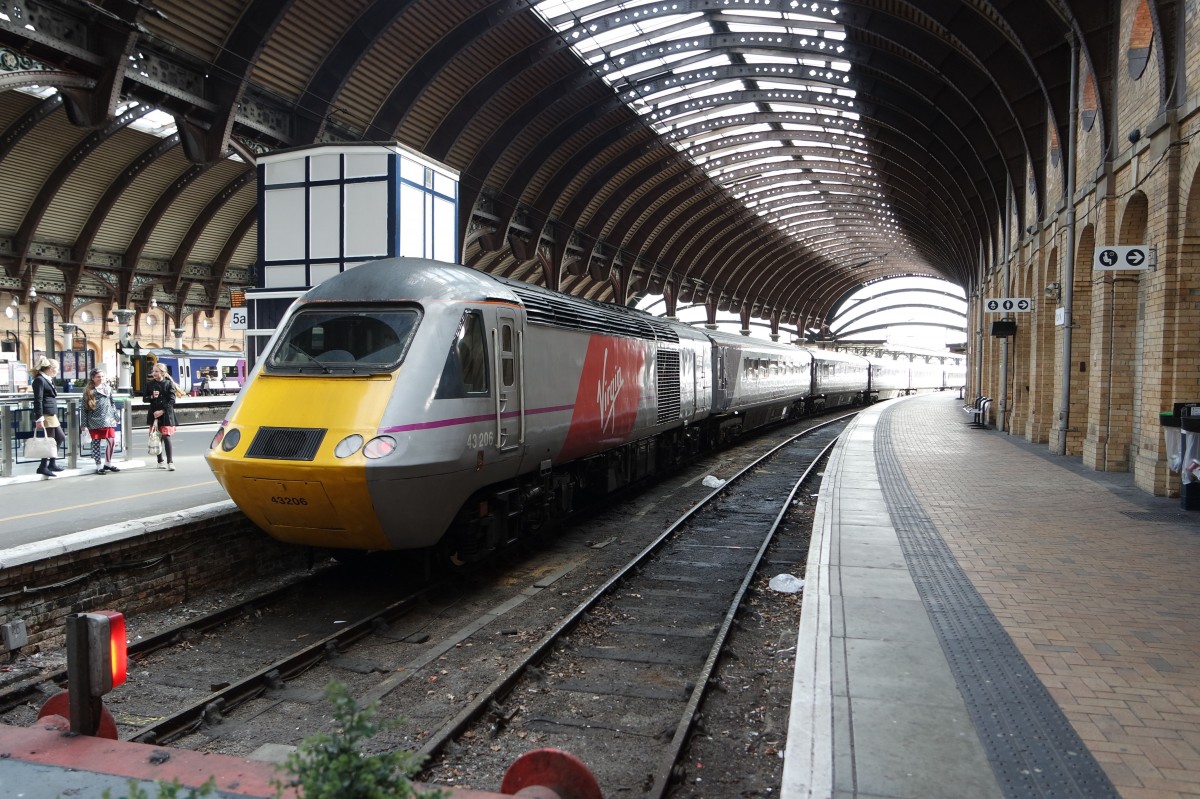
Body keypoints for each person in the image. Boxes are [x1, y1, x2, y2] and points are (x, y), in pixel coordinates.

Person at [81, 368, 121, 475]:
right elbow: (84, 408)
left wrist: (116, 416)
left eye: (102, 376)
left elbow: (112, 403)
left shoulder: (108, 388)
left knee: (112, 441)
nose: (101, 378)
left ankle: (108, 463)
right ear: (93, 378)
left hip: (108, 419)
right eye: (98, 377)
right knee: (96, 444)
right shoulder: (88, 391)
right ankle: (98, 466)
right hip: (94, 420)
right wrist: (83, 424)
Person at [30, 357, 65, 478]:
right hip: (45, 414)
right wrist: (39, 418)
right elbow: (38, 399)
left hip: (51, 413)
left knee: (59, 437)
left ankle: (52, 463)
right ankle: (43, 466)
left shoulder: (47, 379)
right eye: (56, 369)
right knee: (48, 440)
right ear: (50, 368)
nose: (57, 371)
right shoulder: (40, 380)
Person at [144, 362, 182, 470]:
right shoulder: (150, 384)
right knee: (157, 436)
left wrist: (162, 411)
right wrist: (151, 396)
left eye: (156, 371)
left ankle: (170, 462)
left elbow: (172, 400)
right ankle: (160, 461)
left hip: (166, 414)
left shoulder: (169, 384)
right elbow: (144, 398)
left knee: (166, 436)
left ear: (162, 372)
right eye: (153, 371)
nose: (153, 373)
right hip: (153, 414)